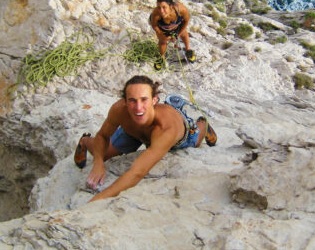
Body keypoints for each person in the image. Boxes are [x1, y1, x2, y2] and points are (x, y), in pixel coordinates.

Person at [73, 75, 217, 202]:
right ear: (124, 101)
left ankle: (202, 124)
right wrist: (98, 162)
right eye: (132, 101)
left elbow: (137, 172)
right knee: (105, 154)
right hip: (134, 129)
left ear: (154, 100)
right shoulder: (119, 110)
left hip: (181, 134)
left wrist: (94, 202)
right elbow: (102, 136)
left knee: (196, 141)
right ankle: (85, 141)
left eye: (144, 100)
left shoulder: (166, 129)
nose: (138, 107)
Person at [149, 0, 194, 70]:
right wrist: (162, 34)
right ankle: (162, 57)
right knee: (163, 41)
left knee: (184, 34)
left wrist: (178, 35)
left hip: (177, 25)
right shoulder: (156, 13)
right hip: (162, 27)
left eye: (164, 7)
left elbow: (186, 21)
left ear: (171, 6)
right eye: (159, 7)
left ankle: (188, 49)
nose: (161, 11)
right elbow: (154, 25)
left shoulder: (181, 9)